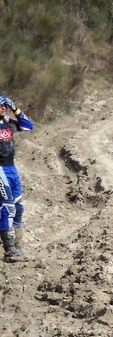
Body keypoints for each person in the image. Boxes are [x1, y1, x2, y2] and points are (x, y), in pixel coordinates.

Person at [0, 95, 33, 262]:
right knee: (7, 208)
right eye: (0, 105)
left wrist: (16, 109)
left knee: (18, 206)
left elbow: (28, 126)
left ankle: (17, 243)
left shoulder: (8, 122)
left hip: (12, 167)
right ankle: (9, 250)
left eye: (4, 105)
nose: (2, 107)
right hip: (0, 170)